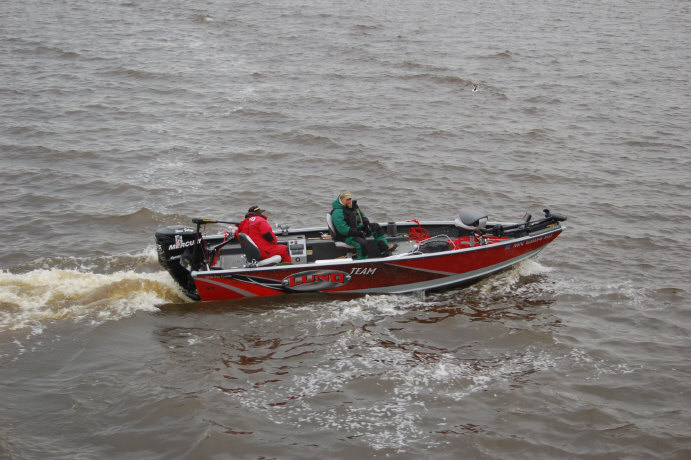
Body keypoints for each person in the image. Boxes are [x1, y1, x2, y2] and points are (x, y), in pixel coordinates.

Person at [330, 191, 397, 259]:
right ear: (341, 199)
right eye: (347, 199)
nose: (349, 201)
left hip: (357, 230)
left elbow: (362, 216)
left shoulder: (353, 206)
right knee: (362, 243)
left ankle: (385, 249)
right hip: (346, 236)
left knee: (376, 227)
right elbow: (343, 230)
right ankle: (362, 261)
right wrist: (358, 232)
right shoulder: (337, 212)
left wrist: (366, 222)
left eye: (350, 199)